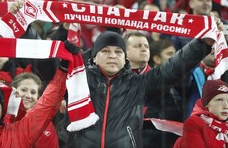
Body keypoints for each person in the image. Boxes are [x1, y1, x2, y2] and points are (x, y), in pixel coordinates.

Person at [66, 14, 223, 148]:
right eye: (105, 51)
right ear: (94, 57)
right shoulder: (79, 79)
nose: (112, 55)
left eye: (118, 51)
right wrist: (64, 42)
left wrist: (203, 43)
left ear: (124, 58)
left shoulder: (138, 84)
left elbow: (173, 68)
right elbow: (46, 71)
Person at [9, 72, 59, 148]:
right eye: (23, 90)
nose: (28, 95)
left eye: (33, 92)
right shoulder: (3, 120)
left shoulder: (46, 125)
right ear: (13, 92)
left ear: (38, 98)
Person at [174, 79, 228, 148]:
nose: (226, 106)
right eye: (219, 100)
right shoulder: (194, 123)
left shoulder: (225, 127)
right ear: (206, 104)